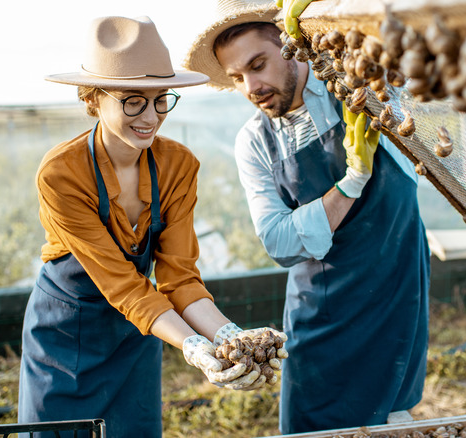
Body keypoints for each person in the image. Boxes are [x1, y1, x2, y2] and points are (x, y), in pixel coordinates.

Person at [18, 15, 286, 438]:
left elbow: (179, 279)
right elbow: (120, 282)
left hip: (139, 328)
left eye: (161, 98)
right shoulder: (61, 174)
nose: (150, 116)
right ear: (93, 99)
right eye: (132, 100)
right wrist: (193, 344)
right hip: (67, 332)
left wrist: (231, 339)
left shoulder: (178, 165)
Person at [185, 0, 431, 434]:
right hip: (320, 301)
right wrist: (352, 182)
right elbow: (280, 242)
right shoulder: (255, 142)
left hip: (395, 282)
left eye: (258, 64)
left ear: (289, 45)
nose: (252, 86)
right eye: (238, 77)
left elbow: (411, 52)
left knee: (392, 415)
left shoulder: (356, 88)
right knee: (311, 419)